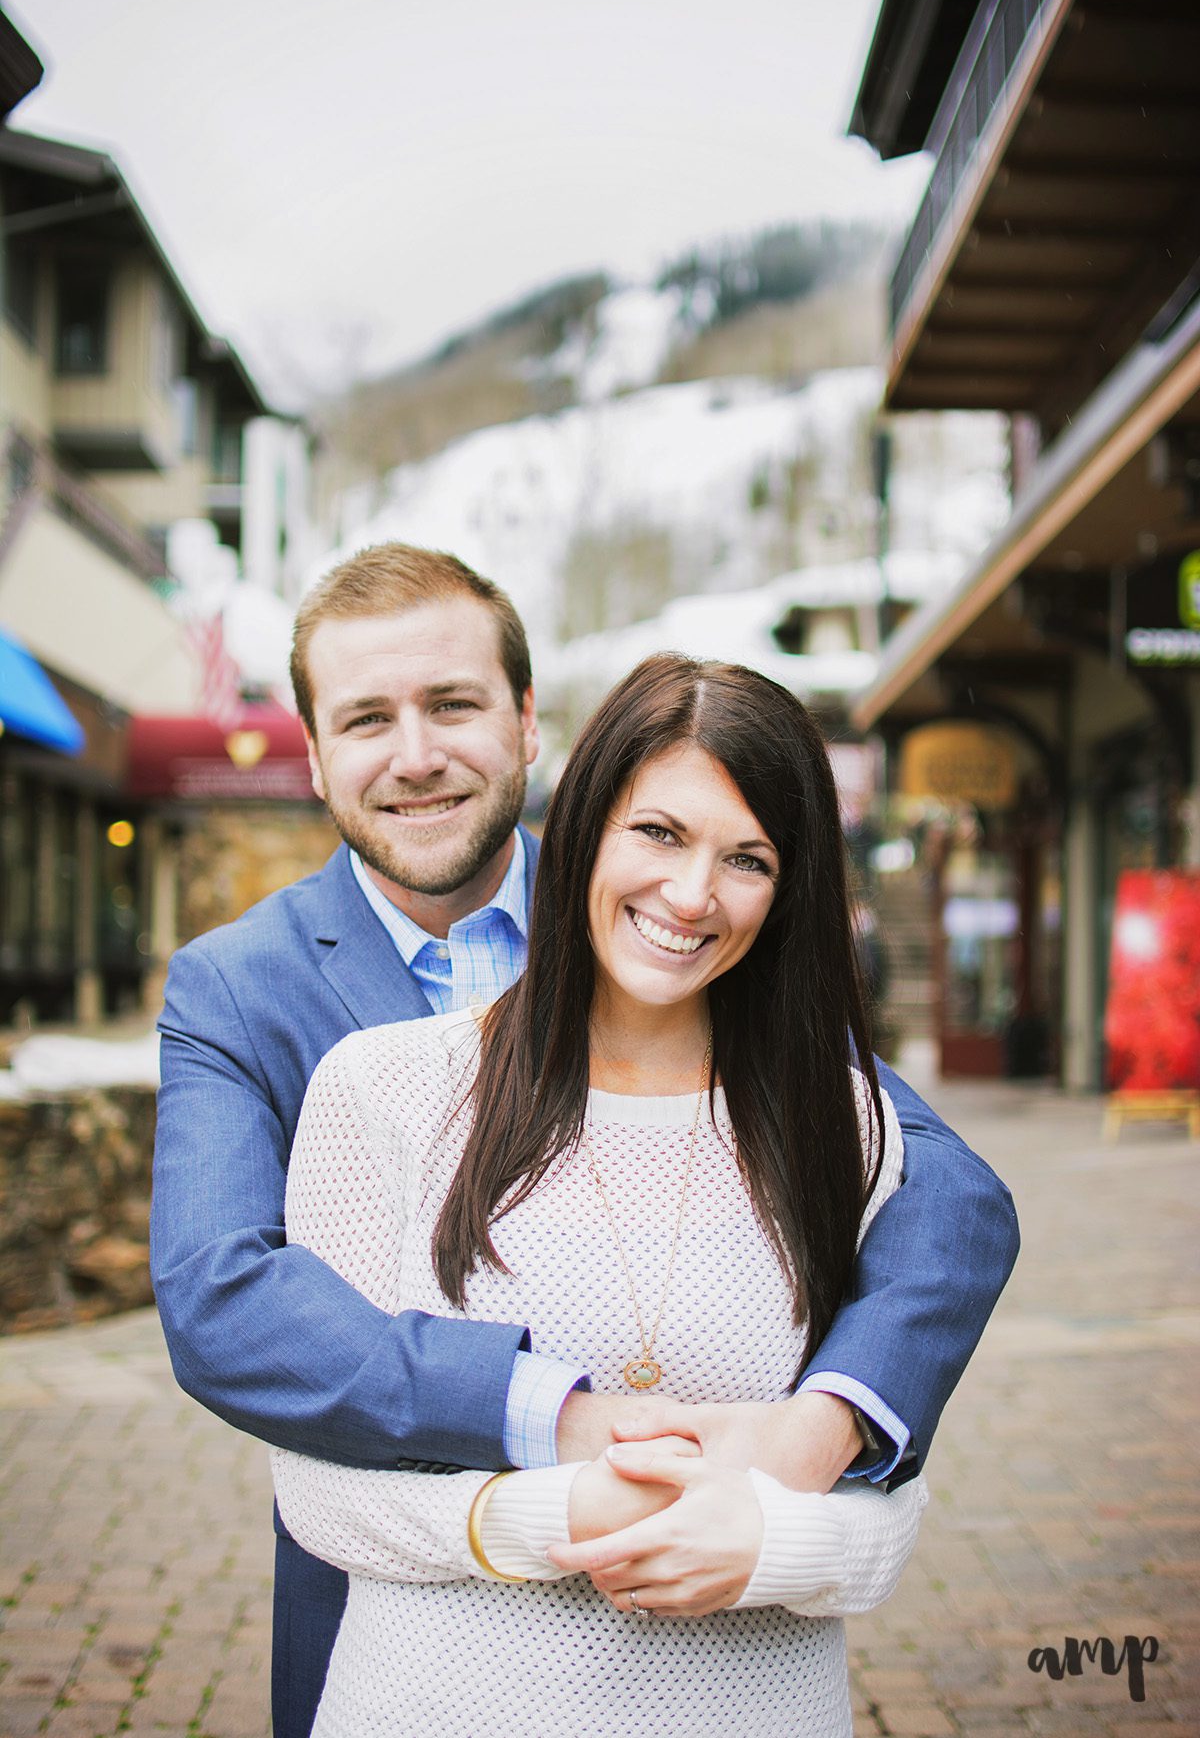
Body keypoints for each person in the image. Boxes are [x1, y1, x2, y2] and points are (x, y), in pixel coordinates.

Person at [151, 544, 1018, 1738]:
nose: (415, 755)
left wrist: (818, 1433)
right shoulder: (242, 994)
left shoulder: (662, 898)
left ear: (526, 724)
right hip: (399, 1624)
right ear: (311, 753)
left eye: (452, 704)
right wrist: (550, 1422)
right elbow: (223, 1302)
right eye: (366, 719)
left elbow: (942, 1189)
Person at [271, 653, 931, 1736]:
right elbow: (322, 1489)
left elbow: (891, 1488)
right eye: (658, 833)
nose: (691, 895)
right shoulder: (387, 1090)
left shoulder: (845, 1122)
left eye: (748, 859)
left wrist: (773, 1547)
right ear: (581, 827)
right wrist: (558, 1515)